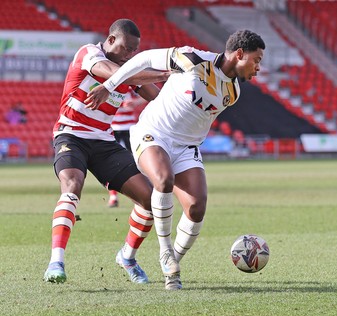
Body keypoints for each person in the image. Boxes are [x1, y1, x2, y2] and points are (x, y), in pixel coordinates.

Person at [86, 29, 265, 290]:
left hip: (186, 147)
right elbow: (144, 59)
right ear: (239, 54)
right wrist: (108, 85)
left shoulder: (234, 91)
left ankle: (172, 269)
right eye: (256, 60)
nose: (258, 67)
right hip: (153, 133)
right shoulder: (192, 59)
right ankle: (165, 252)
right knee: (163, 179)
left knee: (197, 208)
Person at [43, 18, 170, 284]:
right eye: (126, 48)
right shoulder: (89, 53)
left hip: (103, 142)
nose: (130, 55)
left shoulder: (128, 68)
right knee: (72, 185)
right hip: (71, 135)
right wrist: (163, 72)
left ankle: (127, 256)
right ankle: (56, 261)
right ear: (111, 40)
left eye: (134, 51)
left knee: (150, 199)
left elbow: (158, 98)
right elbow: (113, 73)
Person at [107, 87, 147, 208]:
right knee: (110, 164)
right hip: (112, 129)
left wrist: (135, 102)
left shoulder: (129, 87)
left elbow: (146, 95)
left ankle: (142, 194)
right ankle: (113, 196)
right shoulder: (108, 87)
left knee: (138, 162)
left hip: (129, 129)